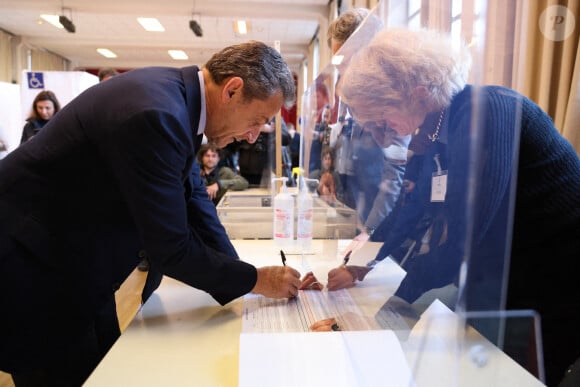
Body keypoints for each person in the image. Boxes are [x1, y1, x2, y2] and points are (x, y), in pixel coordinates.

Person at [0, 41, 302, 386]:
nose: (251, 137)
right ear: (232, 90)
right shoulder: (157, 114)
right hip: (34, 267)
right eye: (257, 121)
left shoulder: (178, 103)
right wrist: (256, 280)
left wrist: (243, 276)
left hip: (74, 260)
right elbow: (170, 247)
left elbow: (195, 200)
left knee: (104, 371)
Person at [301, 28, 580, 386]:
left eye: (382, 122)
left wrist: (387, 309)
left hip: (558, 273)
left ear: (416, 94)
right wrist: (358, 263)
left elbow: (466, 242)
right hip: (515, 271)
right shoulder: (433, 131)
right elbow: (408, 211)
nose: (382, 137)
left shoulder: (486, 112)